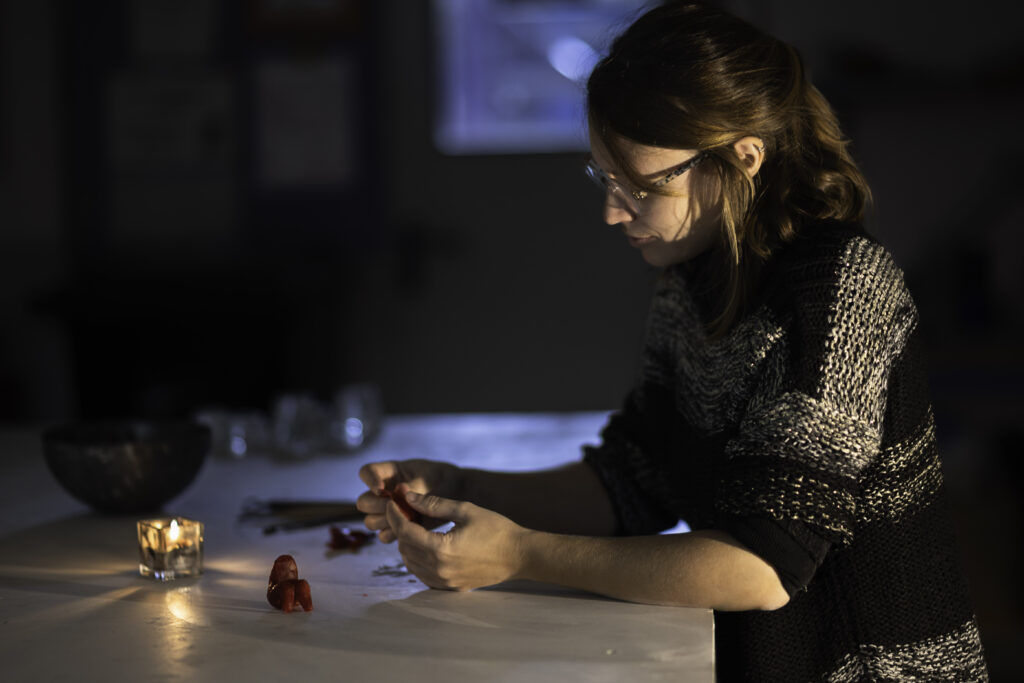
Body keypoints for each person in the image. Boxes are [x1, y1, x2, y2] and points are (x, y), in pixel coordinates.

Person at [356, 1, 989, 680]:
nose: (611, 211)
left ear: (743, 158)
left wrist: (519, 553)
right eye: (605, 177)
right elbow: (634, 480)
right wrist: (460, 488)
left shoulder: (840, 288)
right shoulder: (693, 275)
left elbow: (762, 567)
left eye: (639, 185)